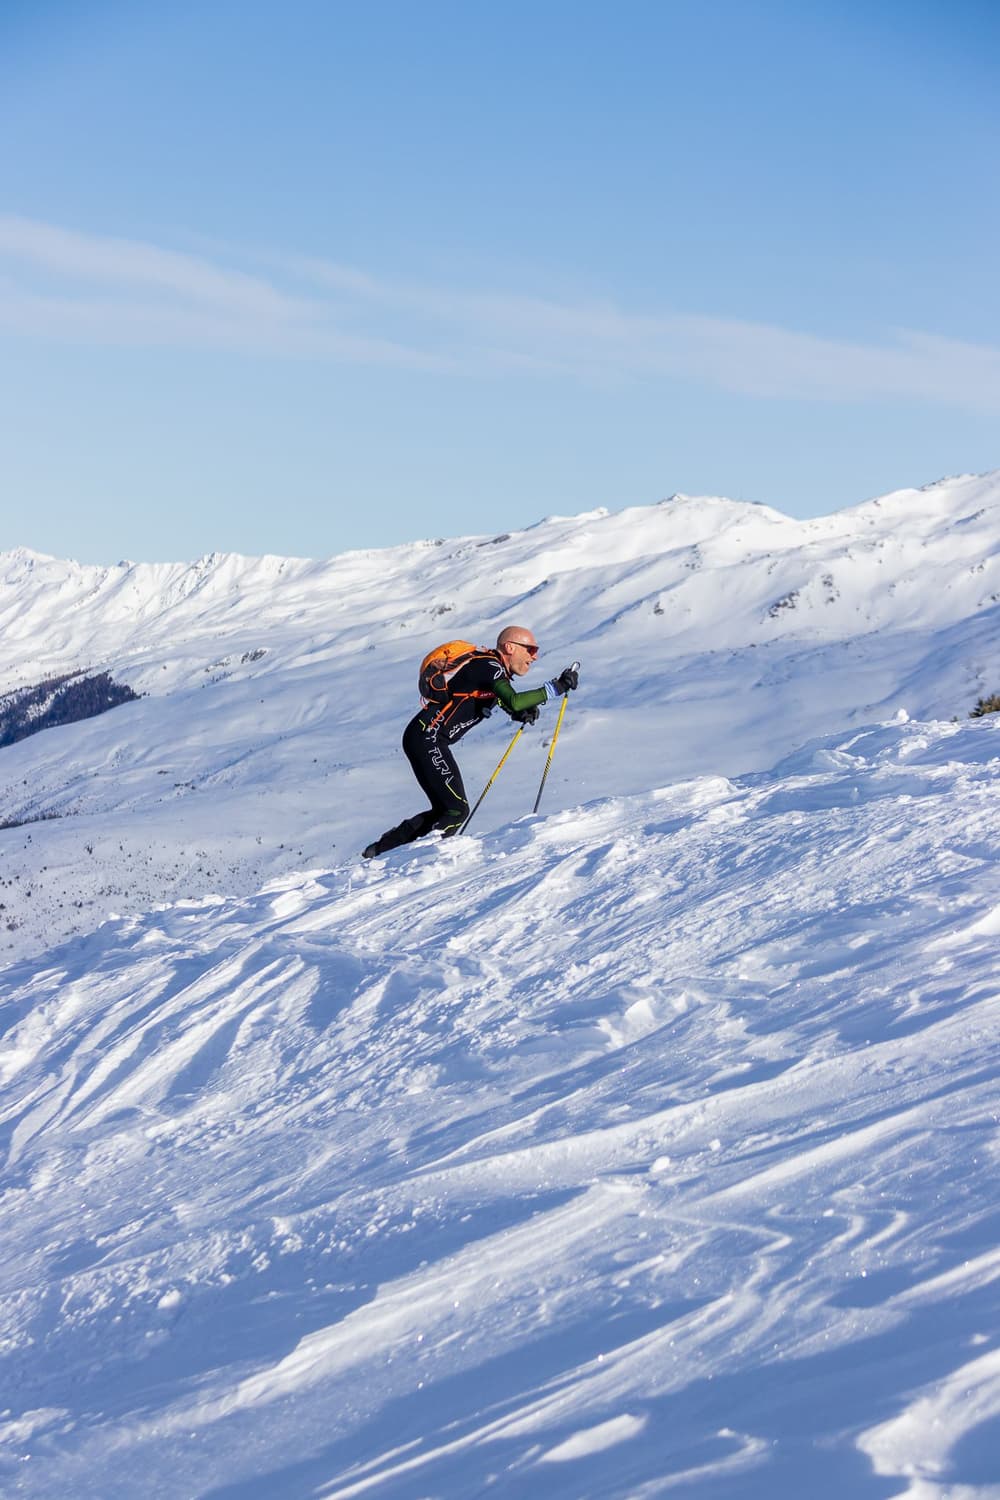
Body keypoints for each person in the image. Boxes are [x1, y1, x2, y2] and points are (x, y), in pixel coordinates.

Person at [362, 626, 579, 858]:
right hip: (428, 738)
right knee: (456, 810)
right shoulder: (489, 666)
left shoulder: (494, 671)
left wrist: (521, 713)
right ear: (509, 647)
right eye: (530, 649)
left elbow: (507, 703)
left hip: (426, 738)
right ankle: (420, 857)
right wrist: (555, 688)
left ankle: (385, 850)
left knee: (447, 809)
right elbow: (514, 700)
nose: (534, 656)